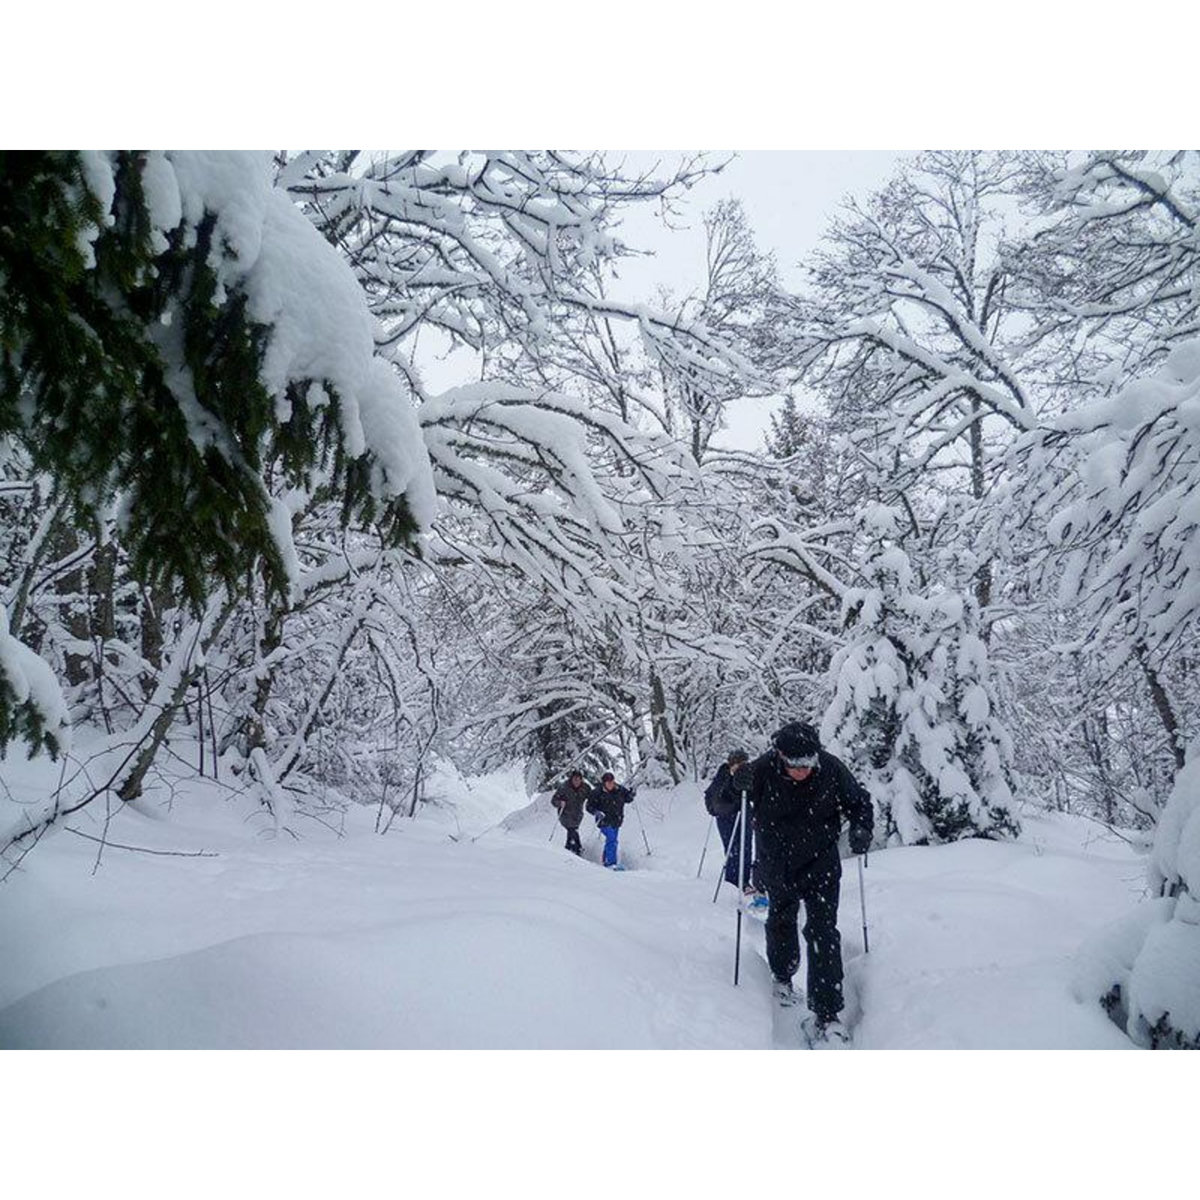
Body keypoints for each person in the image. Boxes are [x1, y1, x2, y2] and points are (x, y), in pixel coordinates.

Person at [731, 720, 873, 1044]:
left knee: (823, 931)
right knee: (782, 920)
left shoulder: (831, 769)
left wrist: (862, 828)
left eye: (808, 764)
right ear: (780, 756)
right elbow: (723, 804)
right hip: (777, 865)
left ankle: (827, 1014)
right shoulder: (762, 769)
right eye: (795, 765)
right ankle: (783, 976)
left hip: (821, 865)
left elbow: (860, 802)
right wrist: (734, 783)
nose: (802, 771)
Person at [704, 750, 764, 902]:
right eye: (738, 763)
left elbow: (752, 792)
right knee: (733, 848)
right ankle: (732, 881)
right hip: (727, 817)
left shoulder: (747, 774)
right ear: (731, 763)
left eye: (743, 763)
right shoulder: (723, 775)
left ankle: (744, 881)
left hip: (744, 813)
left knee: (746, 847)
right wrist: (716, 808)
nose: (741, 767)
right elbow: (715, 794)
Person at [585, 772, 635, 868]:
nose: (611, 784)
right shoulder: (597, 792)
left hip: (616, 820)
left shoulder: (620, 789)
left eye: (612, 781)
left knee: (611, 841)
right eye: (608, 782)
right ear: (604, 783)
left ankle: (605, 859)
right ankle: (611, 864)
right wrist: (596, 812)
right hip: (603, 820)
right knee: (612, 840)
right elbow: (588, 806)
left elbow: (627, 798)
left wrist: (631, 795)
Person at [551, 770, 589, 855]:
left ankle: (570, 849)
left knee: (573, 830)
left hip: (577, 815)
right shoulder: (564, 787)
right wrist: (560, 803)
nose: (577, 781)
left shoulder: (585, 788)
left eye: (579, 779)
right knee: (572, 829)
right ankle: (576, 849)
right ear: (571, 779)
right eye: (575, 779)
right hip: (565, 814)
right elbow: (553, 800)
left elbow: (591, 796)